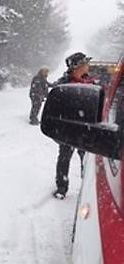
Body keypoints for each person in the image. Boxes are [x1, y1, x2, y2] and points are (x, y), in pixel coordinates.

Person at [53, 52, 96, 199]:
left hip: (87, 129)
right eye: (86, 63)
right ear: (78, 67)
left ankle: (87, 190)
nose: (88, 66)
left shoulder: (92, 83)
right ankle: (61, 188)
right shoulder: (63, 85)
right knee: (64, 158)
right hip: (68, 131)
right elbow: (54, 108)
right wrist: (57, 129)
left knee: (87, 161)